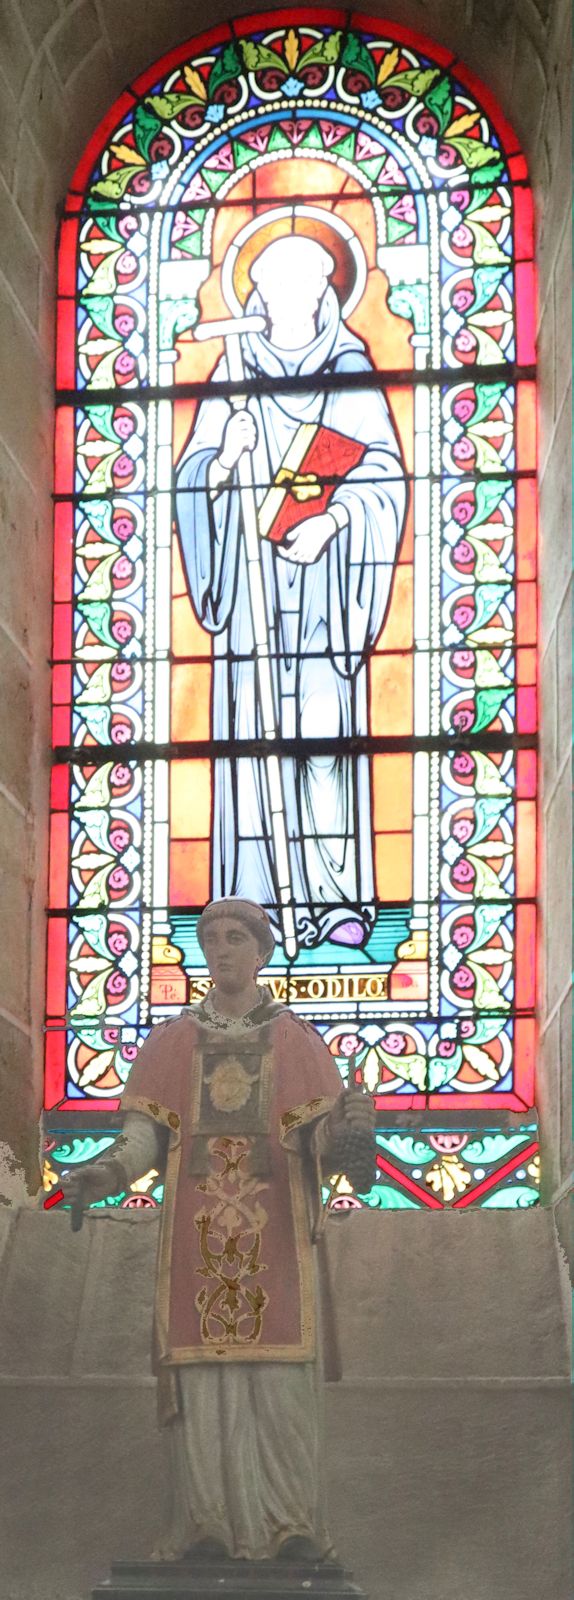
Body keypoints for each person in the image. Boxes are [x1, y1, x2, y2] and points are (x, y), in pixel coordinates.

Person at [63, 896, 375, 1563]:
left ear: (261, 951)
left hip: (277, 1239)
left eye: (236, 937)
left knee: (281, 1382)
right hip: (197, 1243)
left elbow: (320, 1133)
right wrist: (104, 1173)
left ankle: (292, 1527)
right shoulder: (173, 1042)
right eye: (212, 939)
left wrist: (348, 1138)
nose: (222, 949)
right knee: (204, 1384)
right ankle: (207, 1528)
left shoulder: (296, 1039)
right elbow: (143, 1136)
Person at [175, 227, 407, 952]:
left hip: (325, 587)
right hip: (249, 583)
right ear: (257, 295)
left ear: (327, 293)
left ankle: (335, 902)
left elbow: (384, 473)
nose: (286, 300)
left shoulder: (350, 367)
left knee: (322, 733)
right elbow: (192, 477)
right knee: (252, 740)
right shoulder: (233, 373)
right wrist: (223, 460)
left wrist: (335, 521)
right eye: (272, 287)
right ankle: (257, 906)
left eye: (303, 286)